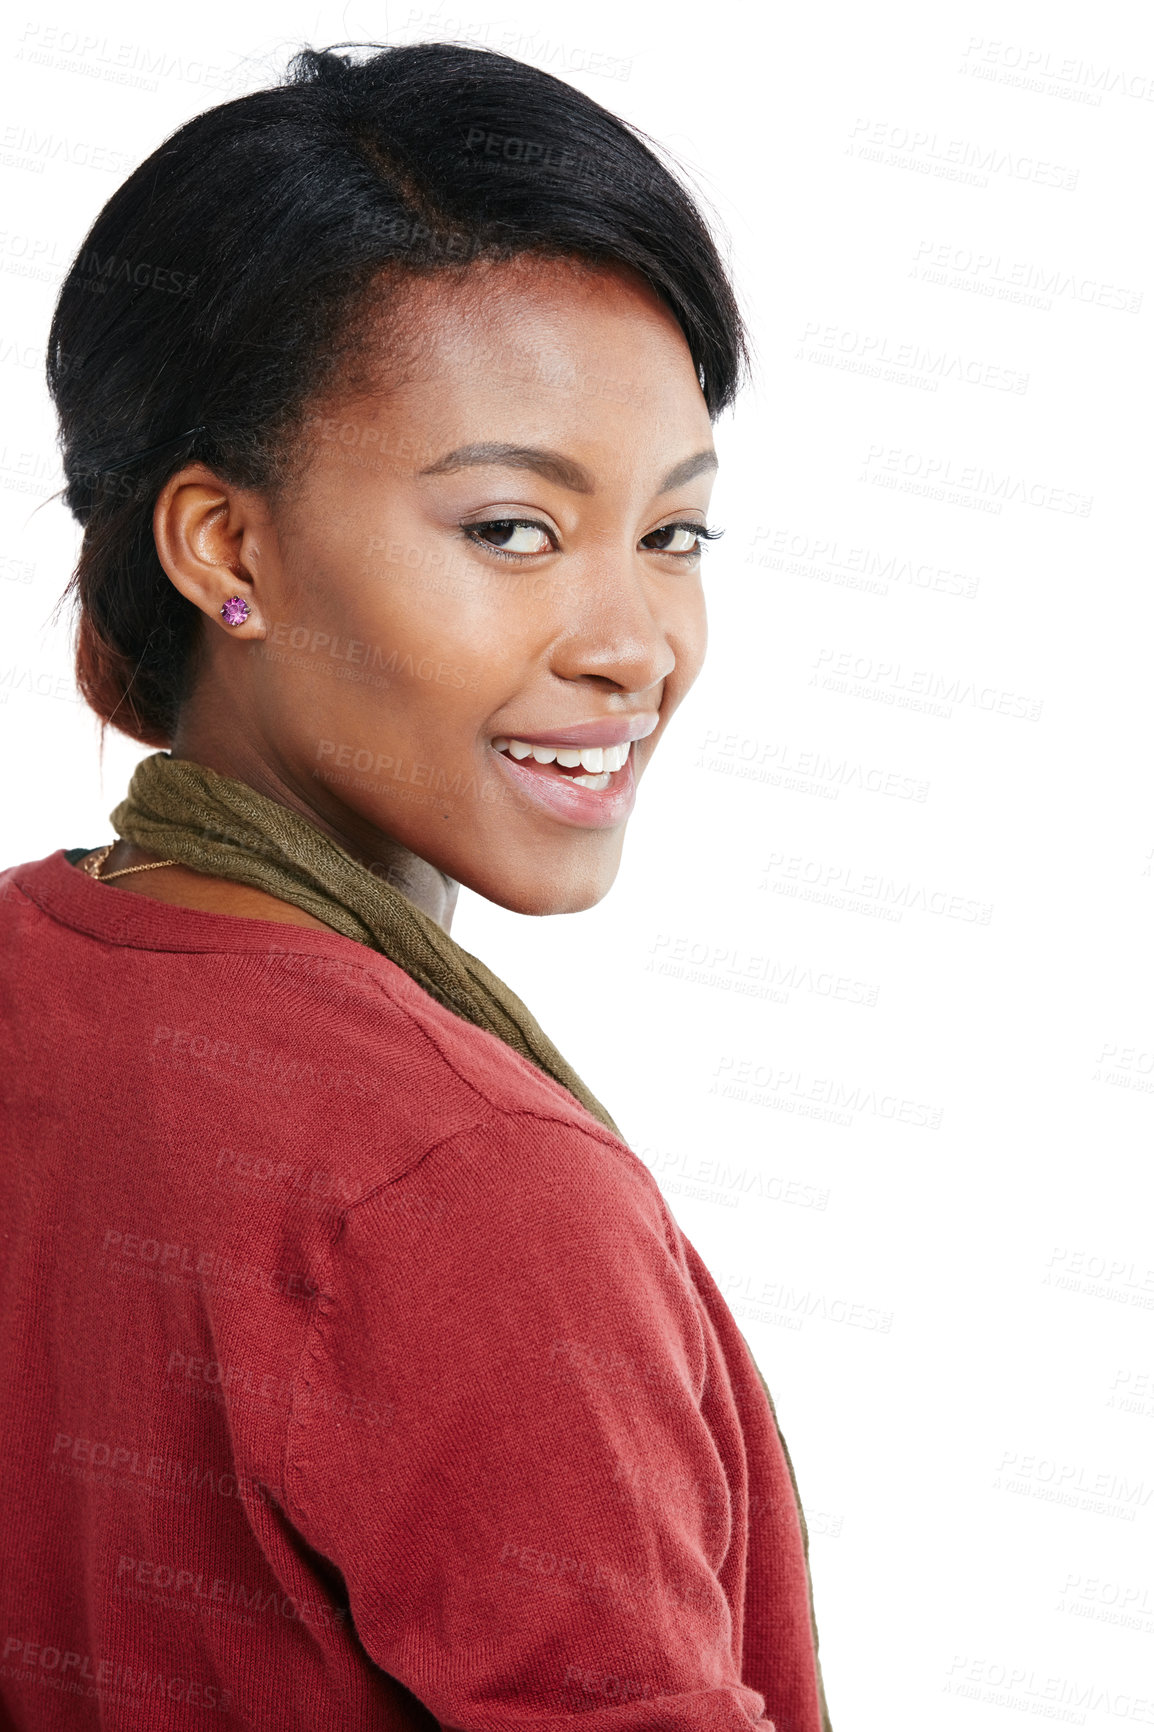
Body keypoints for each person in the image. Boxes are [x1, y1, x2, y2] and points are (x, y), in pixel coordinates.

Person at [0, 42, 833, 1731]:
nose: (629, 647)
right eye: (512, 530)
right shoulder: (455, 1188)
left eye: (673, 537)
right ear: (225, 550)